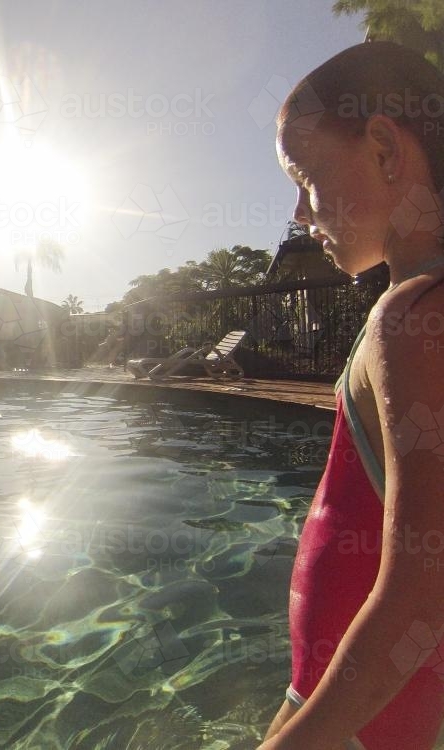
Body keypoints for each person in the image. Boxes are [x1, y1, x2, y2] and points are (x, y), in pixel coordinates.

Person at [260, 41, 444, 749]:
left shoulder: (414, 319)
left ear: (384, 151)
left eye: (306, 177)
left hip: (365, 721)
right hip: (342, 695)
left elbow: (423, 589)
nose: (301, 211)